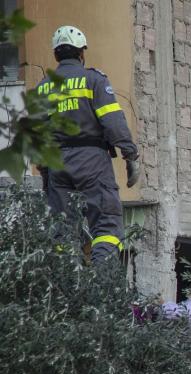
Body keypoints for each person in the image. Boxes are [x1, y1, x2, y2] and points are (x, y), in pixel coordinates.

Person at [37, 26, 139, 261]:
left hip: (57, 164)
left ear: (56, 56)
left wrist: (45, 174)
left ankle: (68, 290)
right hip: (92, 160)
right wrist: (130, 154)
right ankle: (102, 290)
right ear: (81, 54)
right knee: (106, 226)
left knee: (62, 233)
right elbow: (113, 122)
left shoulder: (43, 88)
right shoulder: (93, 79)